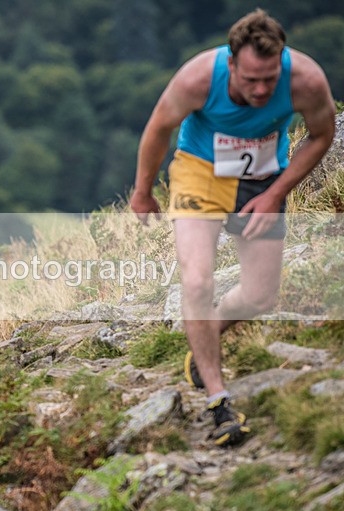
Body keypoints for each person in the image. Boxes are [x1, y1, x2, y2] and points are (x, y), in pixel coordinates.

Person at [131, 9, 335, 446]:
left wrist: (278, 192)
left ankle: (202, 338)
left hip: (262, 179)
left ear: (281, 61)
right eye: (250, 80)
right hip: (199, 172)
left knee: (261, 296)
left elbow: (321, 134)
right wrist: (143, 191)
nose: (261, 89)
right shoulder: (198, 78)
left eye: (269, 79)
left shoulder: (306, 80)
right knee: (198, 280)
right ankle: (218, 398)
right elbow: (158, 129)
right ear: (231, 63)